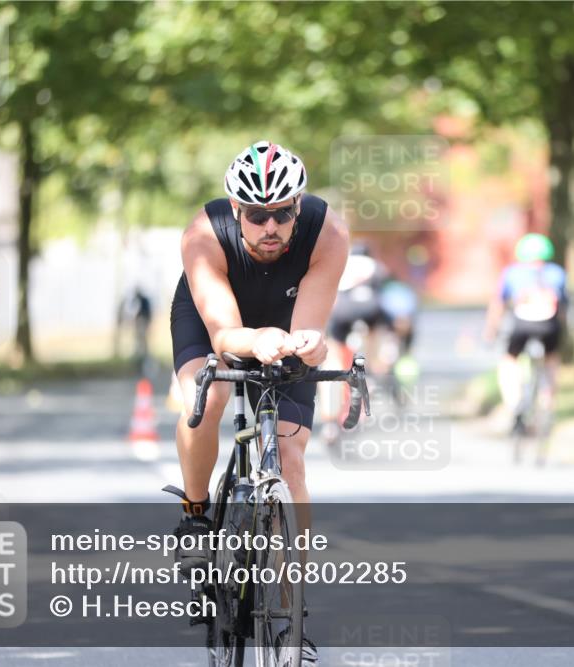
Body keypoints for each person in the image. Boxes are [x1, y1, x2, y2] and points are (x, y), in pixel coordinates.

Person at [169, 141, 347, 664]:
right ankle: (196, 516)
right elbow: (224, 333)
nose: (270, 226)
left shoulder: (328, 233)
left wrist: (310, 344)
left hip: (285, 322)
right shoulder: (203, 234)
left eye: (281, 213)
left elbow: (310, 329)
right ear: (236, 212)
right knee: (210, 392)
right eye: (256, 215)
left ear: (297, 207)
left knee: (291, 461)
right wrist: (255, 339)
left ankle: (291, 610)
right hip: (215, 322)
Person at [482, 233, 567, 430]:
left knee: (509, 361)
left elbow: (498, 305)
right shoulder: (557, 273)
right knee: (551, 360)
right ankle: (547, 404)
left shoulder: (512, 273)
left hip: (522, 326)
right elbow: (563, 308)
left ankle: (515, 402)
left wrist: (490, 330)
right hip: (550, 327)